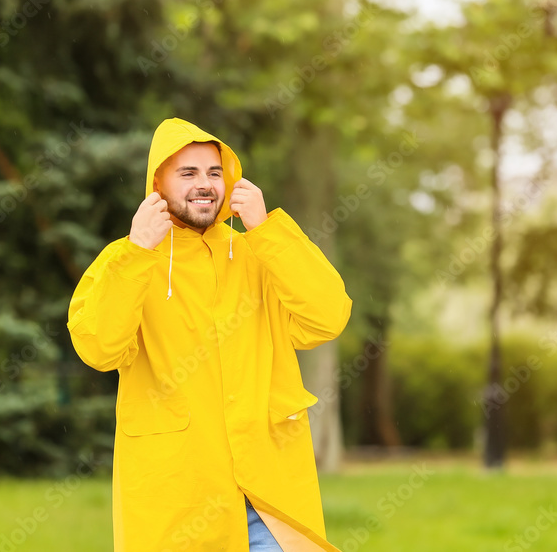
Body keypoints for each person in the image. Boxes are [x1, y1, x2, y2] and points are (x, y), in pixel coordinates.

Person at [67, 117, 352, 551]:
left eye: (214, 173)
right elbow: (99, 348)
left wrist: (267, 229)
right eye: (188, 174)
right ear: (158, 183)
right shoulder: (125, 259)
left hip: (269, 501)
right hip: (178, 504)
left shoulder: (259, 251)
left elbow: (328, 316)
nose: (205, 184)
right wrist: (138, 252)